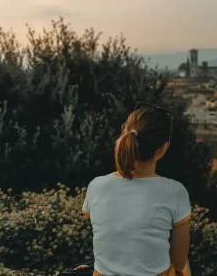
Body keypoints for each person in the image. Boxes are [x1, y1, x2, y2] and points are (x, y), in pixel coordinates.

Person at [81, 102, 192, 276]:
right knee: (185, 268)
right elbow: (178, 260)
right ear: (163, 148)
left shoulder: (96, 185)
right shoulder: (175, 191)